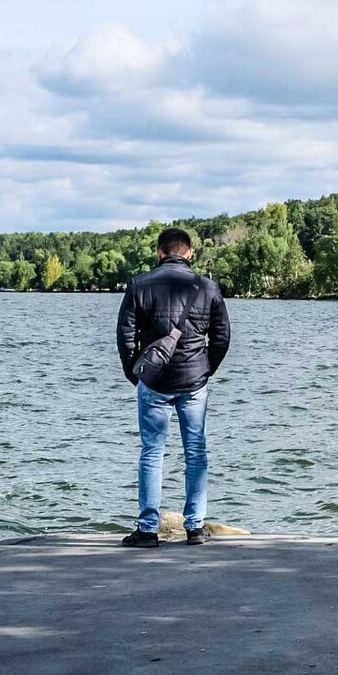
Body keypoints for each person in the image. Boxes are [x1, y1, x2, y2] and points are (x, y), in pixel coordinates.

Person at [115, 227, 231, 547]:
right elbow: (221, 338)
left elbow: (125, 336)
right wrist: (206, 370)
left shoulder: (139, 284)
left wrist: (134, 373)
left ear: (159, 252)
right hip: (195, 381)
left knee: (152, 452)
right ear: (189, 253)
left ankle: (148, 530)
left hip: (154, 381)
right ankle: (194, 527)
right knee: (196, 452)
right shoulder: (207, 287)